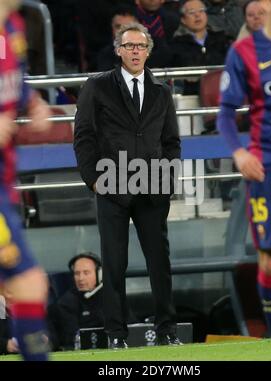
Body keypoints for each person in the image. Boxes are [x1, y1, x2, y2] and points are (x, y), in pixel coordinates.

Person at [74, 22, 181, 349]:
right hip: (112, 186)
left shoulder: (162, 92)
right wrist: (93, 179)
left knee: (159, 264)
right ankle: (116, 337)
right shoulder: (97, 86)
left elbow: (172, 142)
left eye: (141, 46)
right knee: (115, 265)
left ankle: (168, 332)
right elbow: (84, 136)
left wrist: (167, 178)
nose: (135, 51)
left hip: (152, 188)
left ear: (148, 51)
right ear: (118, 50)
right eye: (129, 46)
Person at [217, 0, 271, 361]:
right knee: (270, 259)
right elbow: (224, 112)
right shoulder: (245, 52)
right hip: (267, 171)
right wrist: (239, 152)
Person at [0, 0, 51, 361]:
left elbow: (13, 80)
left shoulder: (14, 25)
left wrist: (32, 101)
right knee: (29, 284)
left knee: (27, 286)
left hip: (3, 182)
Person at [48, 252, 106, 350]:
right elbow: (69, 337)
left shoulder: (111, 298)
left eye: (86, 273)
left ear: (99, 274)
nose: (81, 278)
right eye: (77, 273)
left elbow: (132, 327)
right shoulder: (65, 303)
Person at [171, 0, 230, 94]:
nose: (197, 15)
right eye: (191, 12)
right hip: (191, 97)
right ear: (183, 20)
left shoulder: (222, 39)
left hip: (221, 92)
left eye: (201, 11)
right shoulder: (175, 45)